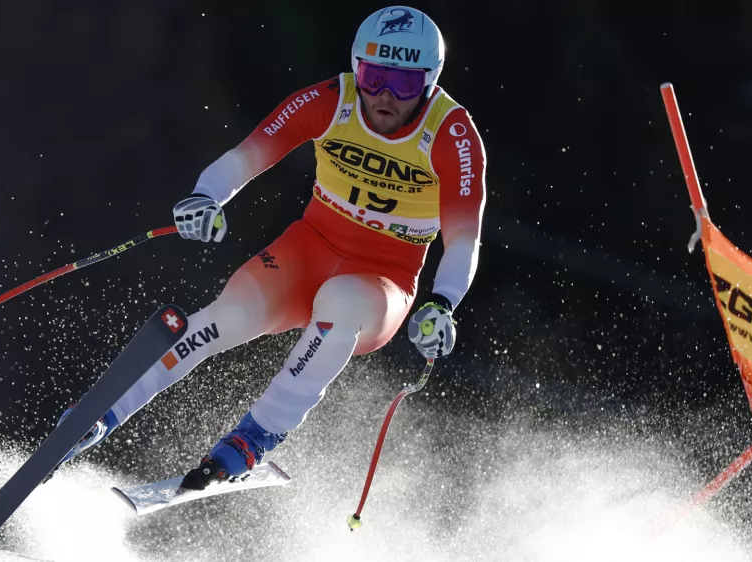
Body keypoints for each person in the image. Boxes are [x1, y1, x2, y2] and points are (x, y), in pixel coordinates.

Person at [56, 5, 487, 490]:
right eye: (373, 76)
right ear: (355, 67)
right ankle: (100, 413)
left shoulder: (452, 134)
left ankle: (255, 437)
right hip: (308, 250)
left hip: (381, 280)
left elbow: (463, 240)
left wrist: (442, 304)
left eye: (404, 85)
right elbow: (248, 155)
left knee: (340, 304)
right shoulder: (332, 100)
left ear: (430, 83)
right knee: (226, 317)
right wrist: (205, 197)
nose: (384, 96)